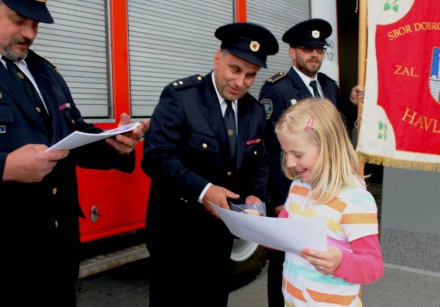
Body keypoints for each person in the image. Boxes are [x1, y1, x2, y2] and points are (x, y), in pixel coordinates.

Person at [0, 0, 149, 306]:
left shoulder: (43, 71)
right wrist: (4, 166)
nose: (29, 33)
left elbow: (70, 132)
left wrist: (114, 143)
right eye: (18, 20)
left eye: (36, 24)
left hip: (57, 246)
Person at [141, 22, 278, 306]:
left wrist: (256, 194)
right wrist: (204, 190)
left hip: (219, 238)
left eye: (250, 75)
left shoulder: (253, 111)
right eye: (235, 69)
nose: (240, 82)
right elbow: (156, 156)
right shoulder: (181, 97)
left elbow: (259, 158)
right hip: (176, 236)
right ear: (218, 59)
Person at [258, 18, 363, 307]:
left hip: (327, 190)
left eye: (319, 49)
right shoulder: (277, 89)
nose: (314, 54)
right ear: (292, 52)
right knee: (285, 258)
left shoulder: (329, 87)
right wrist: (279, 199)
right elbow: (272, 148)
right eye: (307, 49)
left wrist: (352, 101)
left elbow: (333, 136)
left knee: (321, 252)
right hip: (293, 192)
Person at [275, 98, 384, 306]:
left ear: (328, 148)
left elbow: (374, 267)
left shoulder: (355, 201)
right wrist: (255, 224)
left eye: (297, 154)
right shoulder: (298, 187)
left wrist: (341, 262)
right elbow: (281, 233)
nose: (289, 162)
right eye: (285, 152)